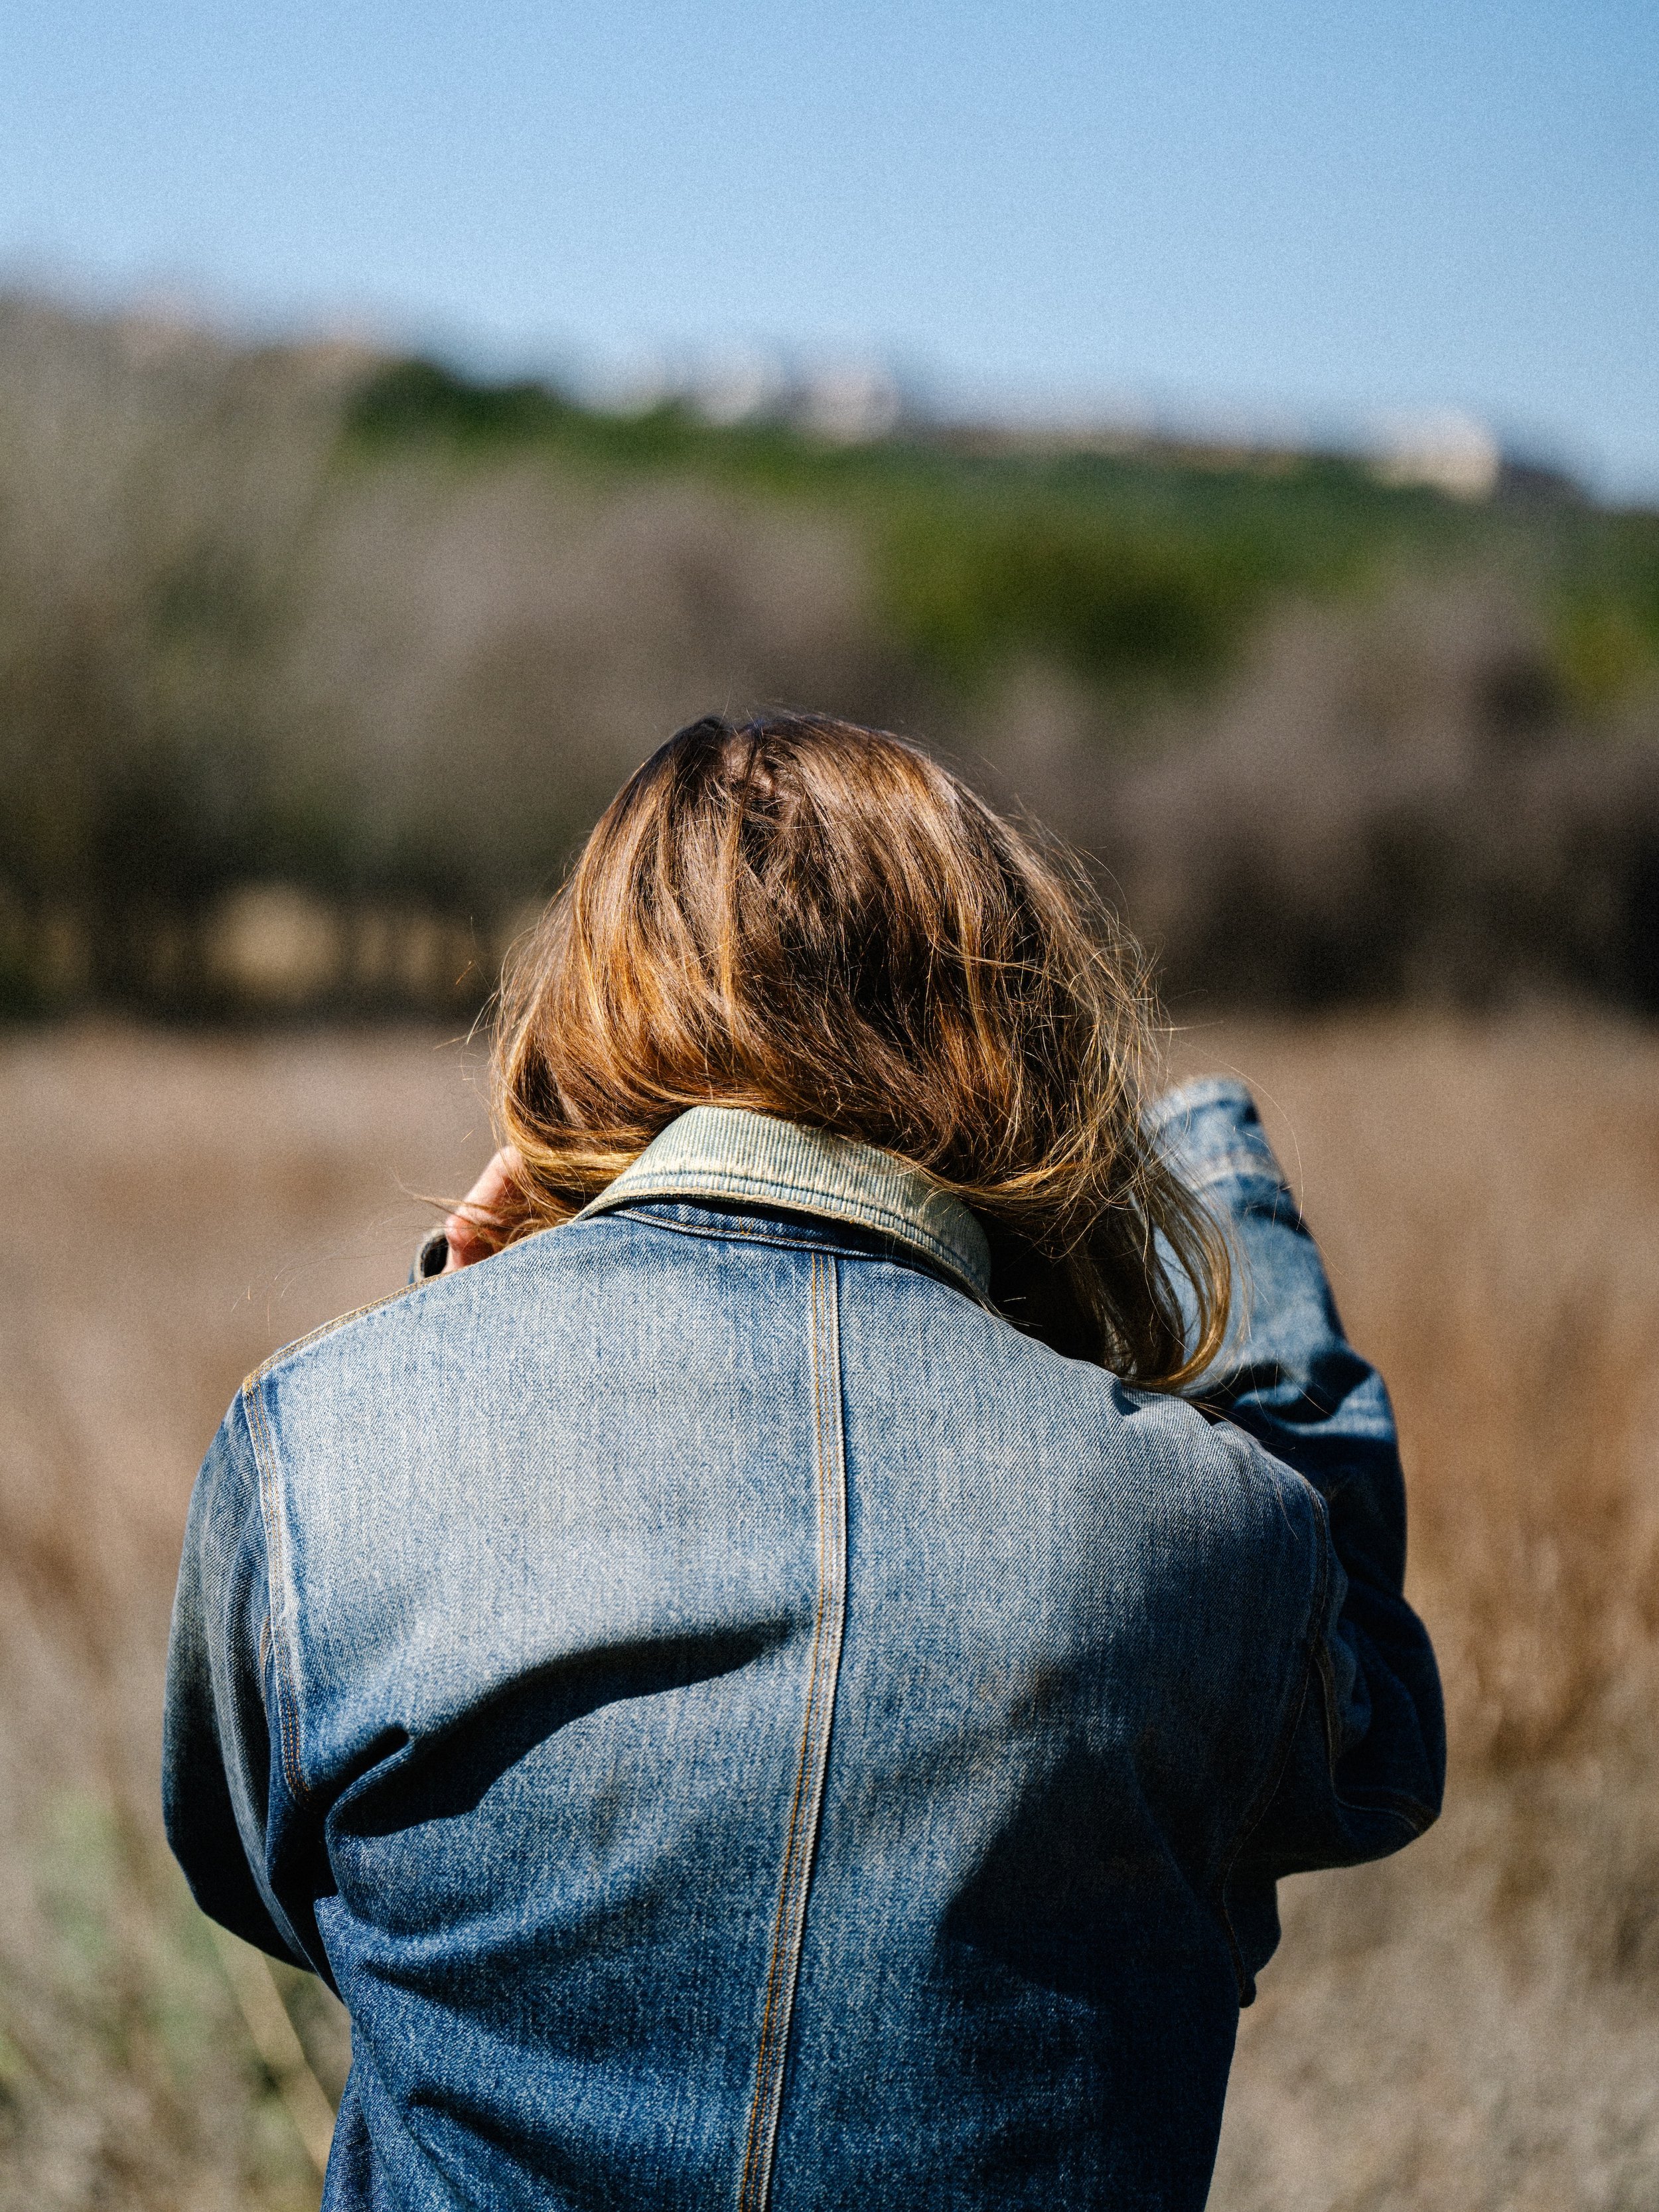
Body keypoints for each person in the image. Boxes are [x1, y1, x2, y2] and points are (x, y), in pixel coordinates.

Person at [164, 713, 1443, 2212]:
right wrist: (1211, 1166)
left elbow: (296, 1881)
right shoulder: (1211, 1527)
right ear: (1012, 1029)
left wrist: (458, 1327)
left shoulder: (320, 1443)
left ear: (588, 1010)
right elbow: (1369, 1742)